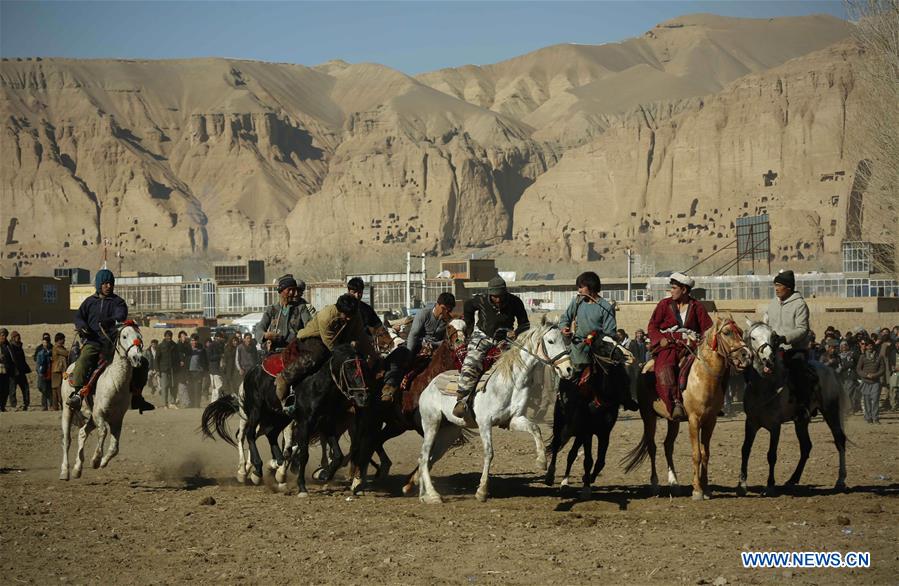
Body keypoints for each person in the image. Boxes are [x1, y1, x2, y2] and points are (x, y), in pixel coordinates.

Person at [67, 269, 154, 413]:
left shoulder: (118, 302)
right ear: (99, 284)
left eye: (111, 283)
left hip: (113, 343)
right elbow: (79, 317)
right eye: (105, 283)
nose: (109, 286)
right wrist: (82, 327)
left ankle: (137, 396)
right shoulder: (89, 302)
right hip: (93, 342)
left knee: (142, 362)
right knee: (83, 360)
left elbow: (121, 315)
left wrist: (110, 320)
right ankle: (77, 394)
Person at [275, 293, 375, 414]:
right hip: (314, 338)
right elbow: (330, 345)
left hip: (338, 341)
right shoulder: (326, 316)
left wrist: (373, 355)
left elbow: (361, 336)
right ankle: (285, 377)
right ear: (338, 310)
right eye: (346, 315)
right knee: (318, 354)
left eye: (351, 316)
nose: (349, 319)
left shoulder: (354, 314)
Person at [558, 271, 638, 411]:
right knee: (568, 371)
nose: (579, 290)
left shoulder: (605, 307)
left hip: (600, 347)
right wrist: (564, 328)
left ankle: (626, 398)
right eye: (578, 287)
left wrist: (596, 337)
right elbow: (565, 318)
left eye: (581, 287)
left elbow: (610, 331)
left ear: (591, 287)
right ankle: (562, 397)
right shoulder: (577, 302)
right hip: (578, 346)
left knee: (619, 370)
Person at [454, 276, 530, 418]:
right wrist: (469, 328)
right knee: (472, 362)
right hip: (482, 336)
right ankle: (462, 400)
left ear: (505, 292)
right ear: (489, 294)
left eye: (501, 296)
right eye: (495, 296)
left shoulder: (515, 302)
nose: (498, 300)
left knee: (520, 365)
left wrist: (516, 332)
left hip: (505, 339)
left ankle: (520, 400)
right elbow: (468, 307)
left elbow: (525, 324)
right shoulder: (480, 300)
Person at [647, 272, 713, 421]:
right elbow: (652, 326)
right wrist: (660, 339)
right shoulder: (664, 304)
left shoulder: (697, 306)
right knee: (664, 367)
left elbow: (707, 329)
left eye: (674, 288)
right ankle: (675, 402)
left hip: (691, 345)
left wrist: (701, 341)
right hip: (669, 346)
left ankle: (713, 402)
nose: (671, 291)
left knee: (711, 366)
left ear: (684, 290)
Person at [765, 269, 814, 421]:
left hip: (794, 349)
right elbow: (766, 323)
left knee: (797, 372)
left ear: (789, 287)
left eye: (779, 285)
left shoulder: (799, 304)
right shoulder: (772, 304)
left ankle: (803, 407)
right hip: (773, 349)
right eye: (775, 285)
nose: (776, 289)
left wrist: (784, 338)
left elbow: (803, 329)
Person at [390, 292, 456, 402]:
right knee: (401, 366)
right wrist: (409, 355)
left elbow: (448, 340)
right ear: (437, 304)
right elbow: (413, 335)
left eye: (448, 310)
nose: (445, 312)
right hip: (417, 348)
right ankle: (394, 392)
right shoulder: (424, 314)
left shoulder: (448, 320)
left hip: (437, 350)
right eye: (443, 308)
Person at [254, 274, 314, 353]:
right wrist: (266, 335)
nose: (292, 293)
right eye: (289, 290)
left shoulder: (301, 308)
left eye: (294, 290)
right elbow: (259, 329)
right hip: (275, 353)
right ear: (281, 291)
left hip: (294, 353)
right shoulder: (272, 310)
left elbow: (310, 327)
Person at [856, 336, 885, 424]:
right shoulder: (862, 357)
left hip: (876, 382)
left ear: (873, 346)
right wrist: (866, 375)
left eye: (871, 345)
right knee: (867, 400)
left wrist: (874, 375)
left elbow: (882, 369)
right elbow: (858, 369)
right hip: (865, 382)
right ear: (866, 347)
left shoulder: (879, 356)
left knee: (875, 400)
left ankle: (875, 418)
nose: (870, 347)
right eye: (868, 345)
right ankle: (868, 417)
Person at [8, 331, 32, 411]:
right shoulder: (10, 347)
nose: (18, 338)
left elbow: (22, 359)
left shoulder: (19, 346)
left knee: (25, 388)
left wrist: (26, 369)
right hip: (14, 372)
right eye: (16, 337)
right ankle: (13, 405)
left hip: (21, 371)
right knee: (12, 389)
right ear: (13, 338)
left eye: (18, 336)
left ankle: (26, 404)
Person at [155, 330, 177, 408]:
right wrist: (157, 370)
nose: (169, 337)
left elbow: (177, 357)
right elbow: (156, 359)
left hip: (172, 369)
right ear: (164, 336)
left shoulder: (174, 345)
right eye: (167, 336)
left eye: (170, 336)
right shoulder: (160, 346)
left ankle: (172, 403)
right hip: (163, 369)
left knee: (173, 386)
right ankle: (165, 404)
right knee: (164, 387)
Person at [186, 334, 209, 407]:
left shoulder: (202, 350)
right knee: (190, 389)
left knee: (198, 389)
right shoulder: (187, 349)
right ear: (190, 341)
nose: (194, 342)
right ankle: (192, 403)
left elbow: (205, 361)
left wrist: (205, 371)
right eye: (192, 340)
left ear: (198, 341)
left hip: (198, 372)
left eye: (195, 340)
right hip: (189, 372)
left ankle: (197, 404)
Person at [34, 333, 53, 411]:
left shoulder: (52, 348)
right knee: (42, 387)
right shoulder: (39, 349)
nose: (46, 343)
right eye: (44, 340)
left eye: (47, 340)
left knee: (48, 388)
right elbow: (36, 359)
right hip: (42, 372)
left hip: (49, 371)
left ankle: (48, 405)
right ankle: (45, 405)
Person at [50, 332, 69, 410]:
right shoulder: (57, 348)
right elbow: (66, 353)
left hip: (60, 370)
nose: (64, 340)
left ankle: (57, 406)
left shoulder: (60, 348)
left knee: (57, 388)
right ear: (59, 340)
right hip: (57, 370)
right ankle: (58, 405)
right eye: (63, 339)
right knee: (57, 388)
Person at [207, 331, 226, 402]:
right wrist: (220, 356)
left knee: (216, 388)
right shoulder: (211, 345)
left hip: (219, 369)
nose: (221, 339)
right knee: (218, 387)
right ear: (217, 337)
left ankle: (214, 403)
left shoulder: (221, 345)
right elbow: (209, 357)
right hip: (214, 369)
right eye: (221, 337)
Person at [174, 330, 190, 408]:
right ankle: (184, 402)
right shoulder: (177, 345)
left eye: (185, 336)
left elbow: (189, 353)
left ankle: (184, 401)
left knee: (185, 384)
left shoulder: (187, 345)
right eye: (182, 336)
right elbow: (177, 355)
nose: (184, 337)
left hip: (187, 368)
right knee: (181, 384)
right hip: (179, 368)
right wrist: (180, 360)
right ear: (179, 337)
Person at [0, 328, 15, 411]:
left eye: (5, 335)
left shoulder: (8, 346)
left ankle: (2, 406)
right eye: (2, 335)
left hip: (7, 370)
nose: (4, 337)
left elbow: (12, 358)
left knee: (5, 390)